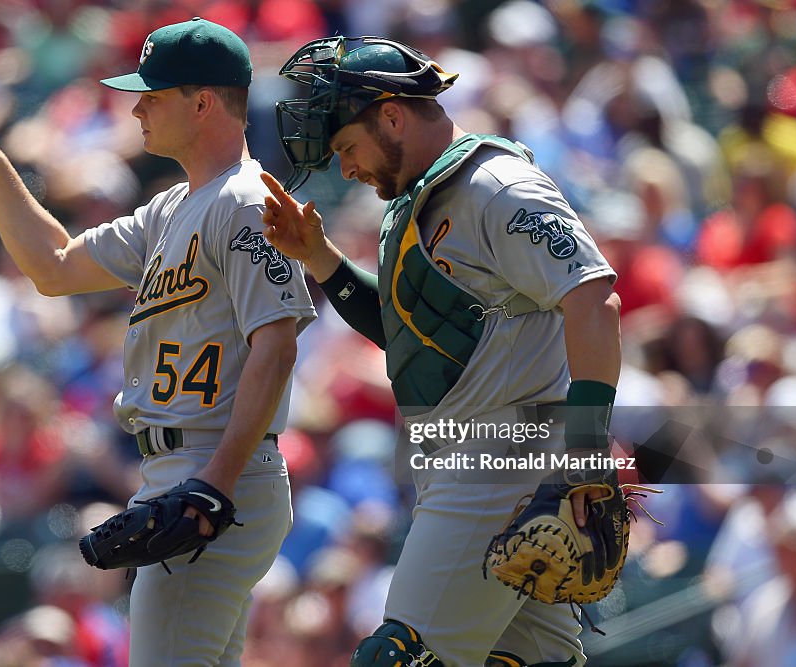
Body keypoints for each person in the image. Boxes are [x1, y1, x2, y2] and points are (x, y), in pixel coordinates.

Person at [0, 17, 316, 665]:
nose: (135, 109)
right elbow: (54, 266)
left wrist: (215, 483)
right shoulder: (171, 208)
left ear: (203, 102)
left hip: (216, 471)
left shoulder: (244, 200)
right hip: (188, 472)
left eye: (152, 96)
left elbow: (277, 344)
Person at [262, 36, 622, 667]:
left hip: (498, 460)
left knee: (398, 658)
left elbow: (593, 300)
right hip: (461, 461)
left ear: (393, 115)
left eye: (347, 146)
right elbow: (409, 331)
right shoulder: (418, 200)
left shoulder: (495, 184)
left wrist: (587, 445)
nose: (345, 168)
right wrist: (319, 258)